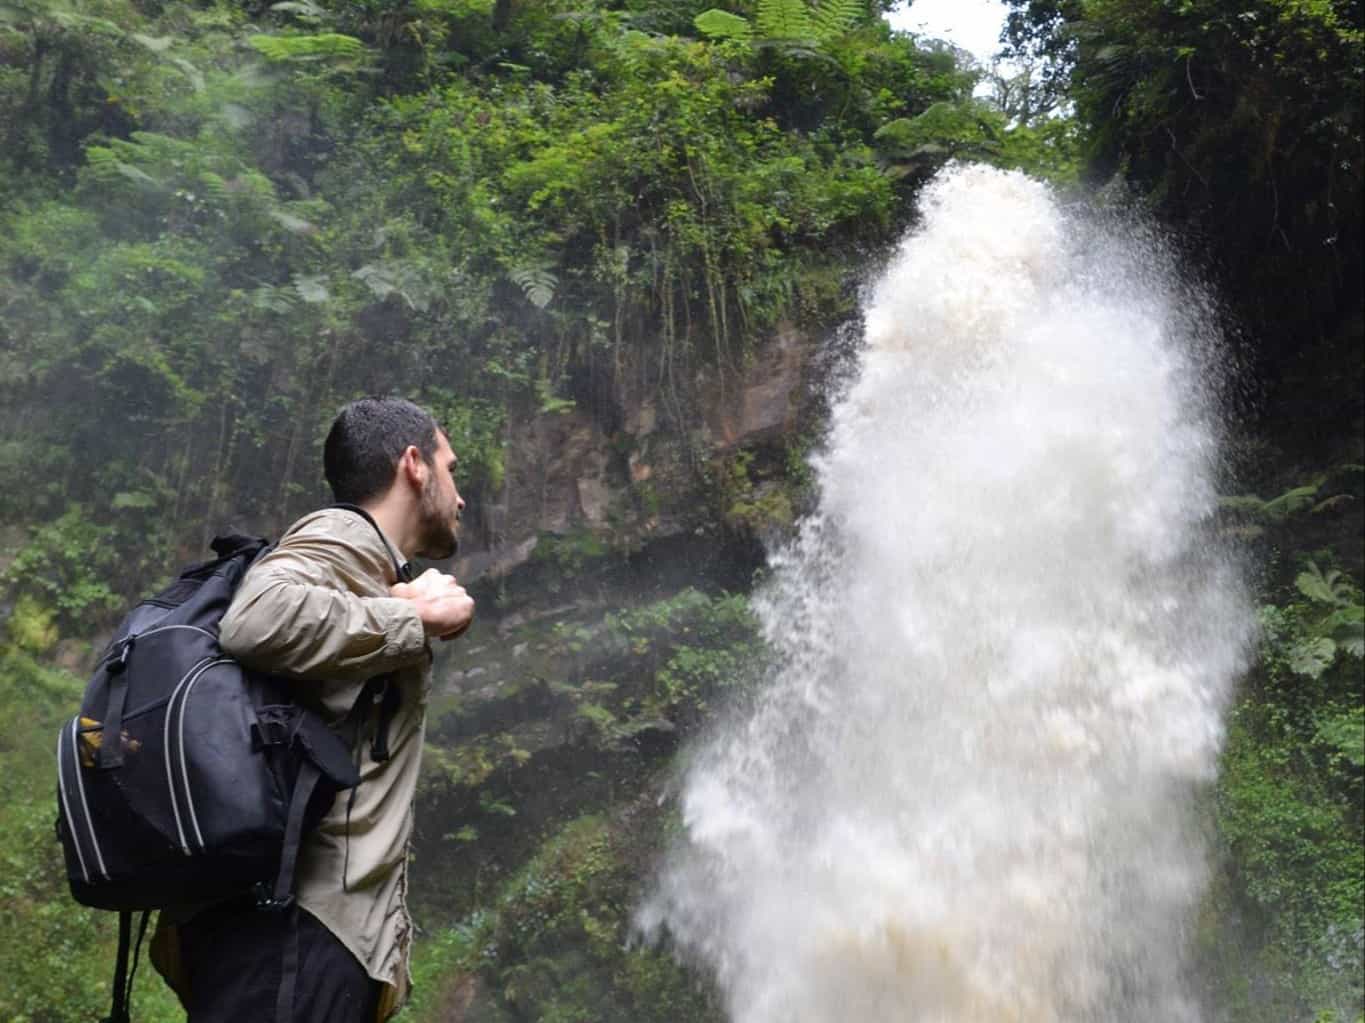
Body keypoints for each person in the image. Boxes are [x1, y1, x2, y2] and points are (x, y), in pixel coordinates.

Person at [150, 396, 475, 1022]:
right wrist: (417, 615)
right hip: (294, 929)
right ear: (414, 464)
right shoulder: (343, 535)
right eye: (452, 469)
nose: (460, 498)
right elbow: (256, 619)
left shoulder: (369, 563)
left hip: (293, 935)